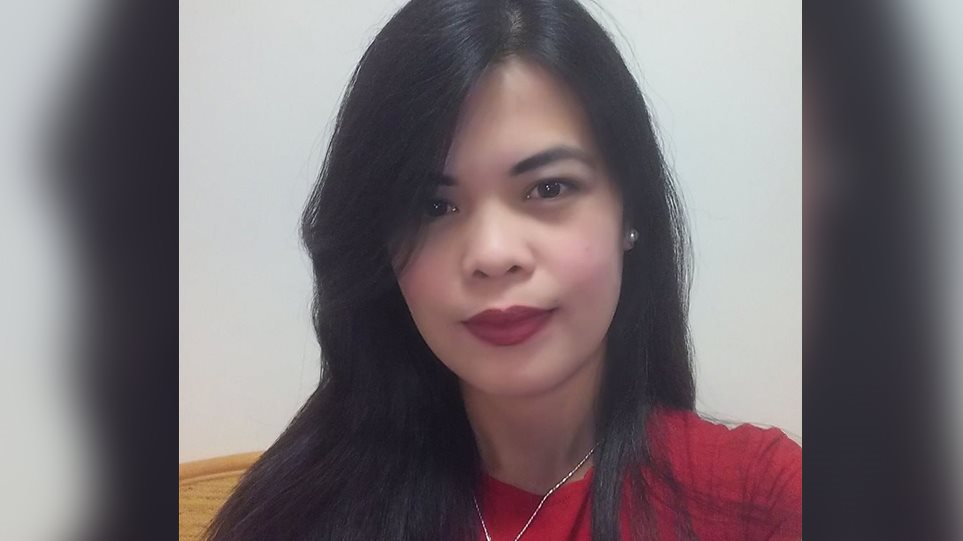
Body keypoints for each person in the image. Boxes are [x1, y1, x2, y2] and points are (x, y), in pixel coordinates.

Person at [205, 0, 801, 539]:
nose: (492, 253)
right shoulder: (298, 512)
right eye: (433, 206)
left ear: (630, 213)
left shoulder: (760, 501)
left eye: (549, 188)